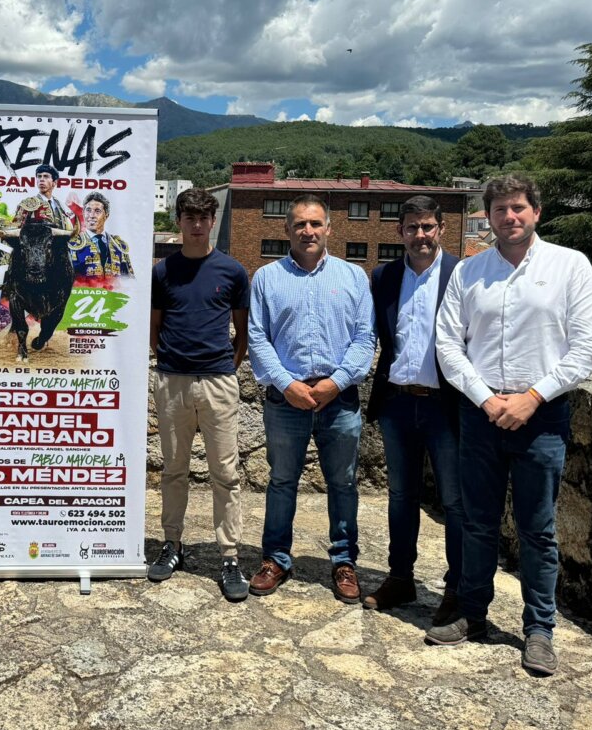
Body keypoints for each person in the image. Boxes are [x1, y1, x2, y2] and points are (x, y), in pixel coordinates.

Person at [429, 174, 592, 677]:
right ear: (488, 216)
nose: (509, 217)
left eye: (518, 208)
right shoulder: (469, 272)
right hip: (480, 415)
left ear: (536, 212)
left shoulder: (570, 267)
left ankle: (539, 631)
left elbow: (589, 347)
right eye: (500, 209)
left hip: (542, 415)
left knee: (538, 530)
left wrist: (531, 397)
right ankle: (473, 615)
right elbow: (448, 345)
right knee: (477, 522)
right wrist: (487, 400)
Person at [247, 194, 375, 603]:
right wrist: (288, 384)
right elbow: (257, 338)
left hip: (339, 399)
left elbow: (364, 338)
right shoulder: (266, 278)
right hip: (286, 400)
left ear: (329, 229)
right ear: (287, 230)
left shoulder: (355, 277)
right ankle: (276, 559)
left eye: (315, 223)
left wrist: (335, 382)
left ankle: (343, 561)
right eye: (300, 224)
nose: (308, 231)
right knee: (282, 482)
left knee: (343, 483)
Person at [363, 196, 462, 622]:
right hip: (397, 403)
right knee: (401, 497)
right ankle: (400, 578)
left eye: (427, 227)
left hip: (447, 407)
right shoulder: (383, 276)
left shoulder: (462, 273)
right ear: (399, 232)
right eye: (411, 228)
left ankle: (458, 589)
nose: (419, 236)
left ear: (441, 227)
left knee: (455, 501)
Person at [148, 188, 250, 600]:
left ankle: (229, 555)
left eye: (203, 217)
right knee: (173, 470)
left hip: (218, 382)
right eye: (188, 217)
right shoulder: (163, 272)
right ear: (179, 221)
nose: (195, 224)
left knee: (225, 473)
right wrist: (173, 363)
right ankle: (172, 544)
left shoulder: (233, 271)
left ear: (212, 221)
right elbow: (154, 331)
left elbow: (242, 334)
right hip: (172, 380)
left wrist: (224, 368)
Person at [71, 191, 133, 278]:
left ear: (106, 215)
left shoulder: (118, 245)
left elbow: (129, 280)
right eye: (88, 210)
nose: (91, 215)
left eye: (97, 211)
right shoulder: (71, 245)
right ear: (83, 213)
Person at [13, 163, 77, 232]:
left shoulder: (60, 205)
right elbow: (16, 229)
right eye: (39, 176)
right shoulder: (28, 203)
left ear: (54, 182)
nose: (41, 180)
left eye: (46, 176)